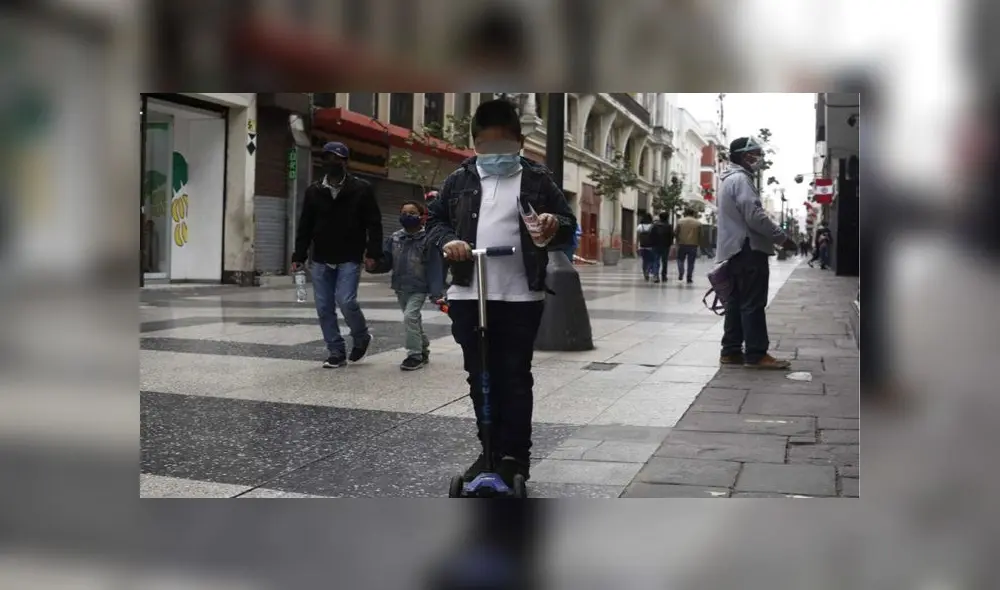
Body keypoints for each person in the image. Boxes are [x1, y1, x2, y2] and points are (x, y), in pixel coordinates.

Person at [426, 98, 576, 487]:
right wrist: (449, 242)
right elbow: (435, 222)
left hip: (521, 296)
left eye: (503, 148)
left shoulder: (538, 179)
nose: (494, 156)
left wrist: (551, 224)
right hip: (468, 294)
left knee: (513, 376)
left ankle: (515, 456)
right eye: (486, 148)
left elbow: (566, 223)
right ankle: (489, 449)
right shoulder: (459, 179)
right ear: (474, 143)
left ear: (520, 142)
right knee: (480, 377)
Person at [291, 141, 383, 368]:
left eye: (336, 158)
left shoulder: (361, 188)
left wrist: (373, 253)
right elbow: (305, 225)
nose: (330, 162)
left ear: (344, 161)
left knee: (346, 300)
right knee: (323, 308)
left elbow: (374, 223)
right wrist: (298, 256)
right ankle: (335, 351)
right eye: (326, 158)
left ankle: (361, 336)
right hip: (321, 257)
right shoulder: (314, 191)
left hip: (349, 255)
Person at [716, 136, 798, 370]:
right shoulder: (741, 179)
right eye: (755, 153)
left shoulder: (728, 180)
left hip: (734, 251)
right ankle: (756, 354)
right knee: (752, 302)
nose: (759, 159)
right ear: (744, 156)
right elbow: (755, 216)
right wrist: (782, 238)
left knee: (736, 302)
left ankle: (731, 351)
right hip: (748, 249)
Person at [370, 201, 446, 371]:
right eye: (404, 212)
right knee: (413, 320)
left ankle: (414, 355)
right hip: (400, 286)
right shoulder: (395, 238)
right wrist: (373, 265)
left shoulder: (428, 239)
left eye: (412, 213)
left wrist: (436, 292)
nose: (407, 216)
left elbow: (435, 266)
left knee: (410, 317)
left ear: (421, 216)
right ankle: (423, 348)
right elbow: (386, 261)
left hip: (419, 287)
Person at [675, 207, 702, 283]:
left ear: (685, 213)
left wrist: (677, 241)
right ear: (693, 213)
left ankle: (681, 273)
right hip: (693, 245)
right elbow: (701, 235)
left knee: (680, 260)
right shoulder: (698, 223)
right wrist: (699, 243)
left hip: (682, 244)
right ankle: (689, 277)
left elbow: (676, 232)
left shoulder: (680, 221)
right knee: (691, 262)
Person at [651, 212, 674, 282]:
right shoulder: (669, 226)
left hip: (655, 245)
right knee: (664, 262)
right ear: (667, 218)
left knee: (656, 260)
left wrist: (652, 243)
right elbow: (671, 236)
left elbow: (651, 235)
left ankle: (655, 276)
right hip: (665, 246)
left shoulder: (655, 225)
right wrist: (670, 244)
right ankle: (664, 276)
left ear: (660, 217)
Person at [636, 213, 658, 282]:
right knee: (652, 261)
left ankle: (645, 273)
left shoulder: (640, 226)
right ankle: (651, 273)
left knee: (644, 261)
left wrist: (637, 245)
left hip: (642, 246)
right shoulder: (653, 226)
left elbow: (638, 237)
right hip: (651, 247)